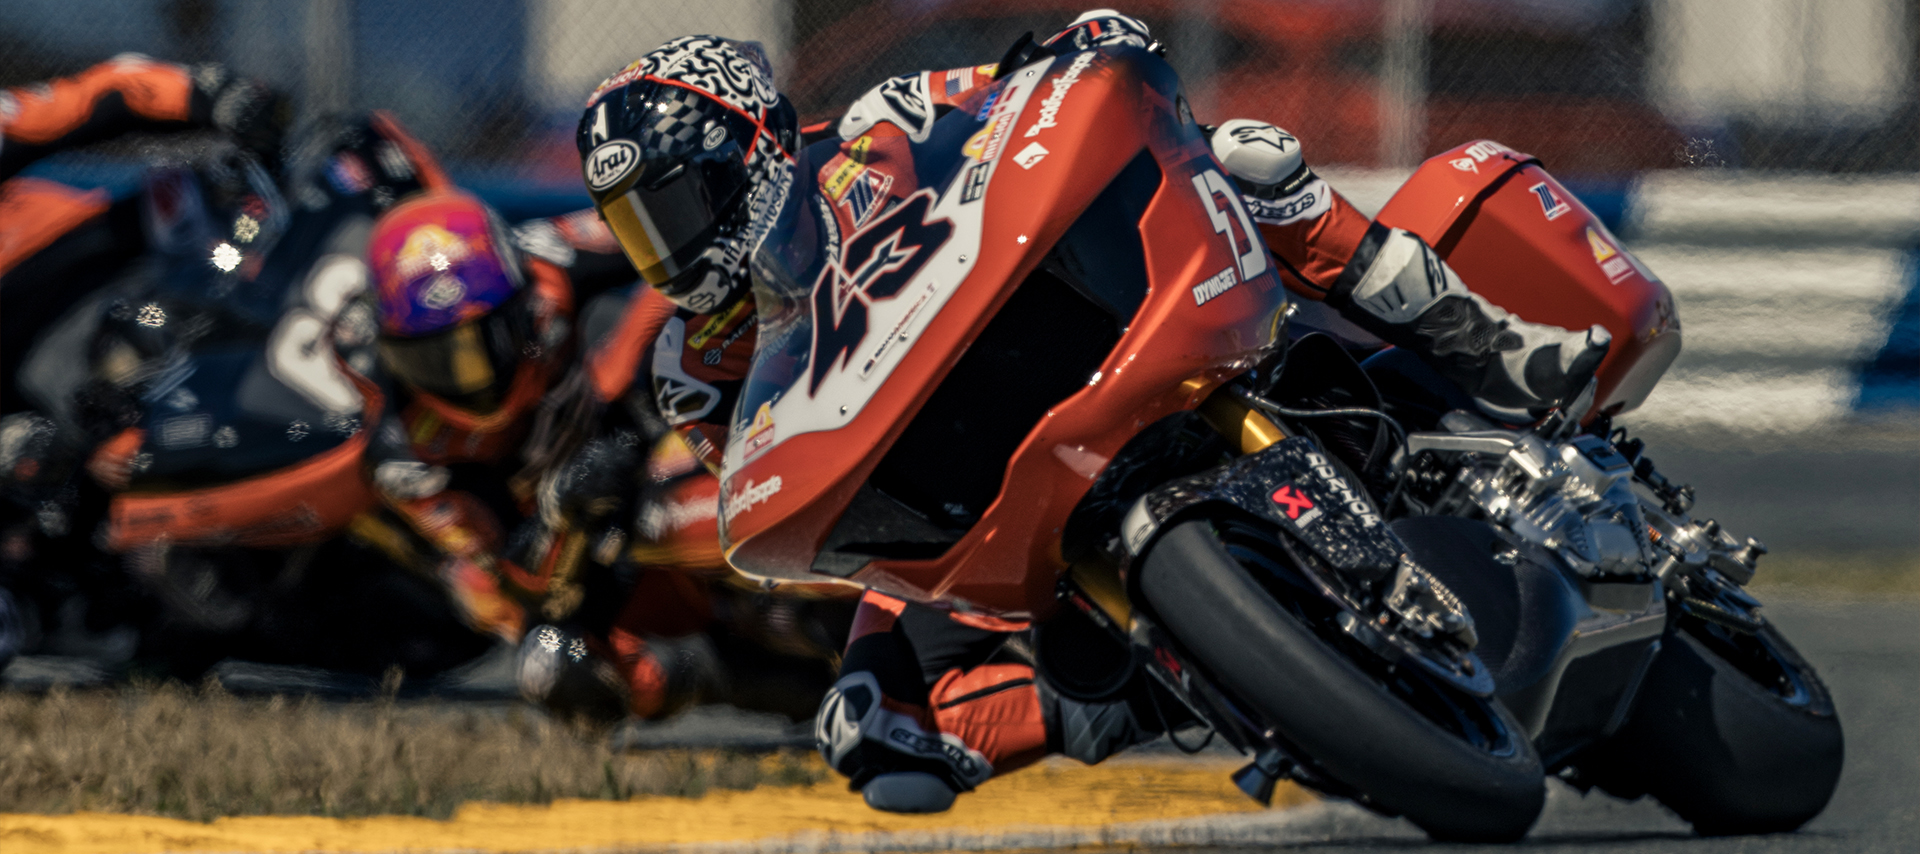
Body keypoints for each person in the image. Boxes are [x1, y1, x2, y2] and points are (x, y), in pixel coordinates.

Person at [570, 8, 1609, 811]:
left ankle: (1475, 330)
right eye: (638, 225)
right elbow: (775, 481)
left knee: (1248, 152)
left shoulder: (880, 123)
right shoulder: (693, 361)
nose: (670, 245)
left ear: (748, 148)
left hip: (1063, 332)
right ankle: (1155, 684)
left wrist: (1076, 52)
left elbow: (1017, 94)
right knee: (868, 731)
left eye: (679, 203)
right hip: (950, 485)